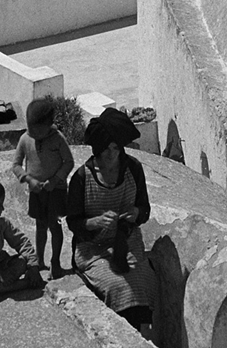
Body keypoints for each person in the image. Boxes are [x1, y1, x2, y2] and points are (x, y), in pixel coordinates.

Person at [66, 108, 158, 335]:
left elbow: (144, 209)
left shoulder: (133, 169)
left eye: (115, 149)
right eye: (106, 150)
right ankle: (123, 336)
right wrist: (95, 222)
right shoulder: (82, 177)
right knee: (117, 285)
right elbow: (74, 223)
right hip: (93, 249)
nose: (111, 155)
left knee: (144, 282)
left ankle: (144, 336)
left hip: (126, 241)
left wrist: (135, 213)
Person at [12, 97, 75, 275]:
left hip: (56, 191)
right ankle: (39, 260)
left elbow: (68, 161)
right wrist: (29, 179)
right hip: (37, 191)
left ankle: (55, 263)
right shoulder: (25, 139)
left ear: (48, 126)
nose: (32, 133)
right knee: (40, 226)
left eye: (37, 131)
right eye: (30, 129)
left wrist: (55, 180)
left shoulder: (57, 139)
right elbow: (16, 165)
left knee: (54, 225)